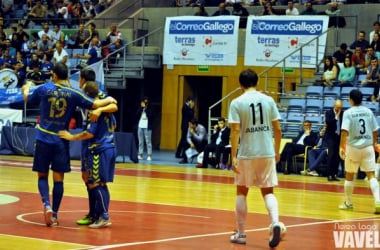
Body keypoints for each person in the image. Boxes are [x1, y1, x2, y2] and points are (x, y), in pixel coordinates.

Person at [21, 62, 117, 227]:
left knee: (42, 176)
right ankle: (55, 215)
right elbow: (96, 104)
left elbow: (26, 98)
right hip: (61, 140)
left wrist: (25, 88)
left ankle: (47, 205)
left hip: (44, 139)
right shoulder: (75, 93)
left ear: (54, 75)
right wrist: (109, 100)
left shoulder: (44, 88)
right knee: (60, 180)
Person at [228, 69, 283, 248]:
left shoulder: (236, 102)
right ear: (257, 82)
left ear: (240, 84)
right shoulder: (268, 100)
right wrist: (276, 151)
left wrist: (233, 155)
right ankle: (275, 223)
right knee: (268, 191)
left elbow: (235, 131)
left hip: (247, 153)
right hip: (266, 151)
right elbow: (278, 129)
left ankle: (241, 233)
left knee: (242, 191)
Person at [58, 81, 117, 228]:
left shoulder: (94, 110)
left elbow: (89, 133)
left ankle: (104, 216)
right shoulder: (104, 106)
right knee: (100, 183)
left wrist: (71, 137)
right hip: (110, 145)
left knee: (95, 183)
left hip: (99, 148)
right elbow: (114, 118)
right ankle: (98, 215)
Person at [74, 68, 117, 226]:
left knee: (97, 182)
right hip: (89, 145)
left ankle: (103, 215)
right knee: (88, 179)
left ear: (83, 80)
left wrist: (99, 109)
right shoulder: (84, 97)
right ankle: (93, 213)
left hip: (98, 145)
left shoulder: (99, 97)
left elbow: (114, 104)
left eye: (79, 79)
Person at [338, 89, 380, 214]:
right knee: (371, 175)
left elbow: (344, 132)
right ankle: (378, 200)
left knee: (349, 175)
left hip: (353, 148)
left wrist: (341, 147)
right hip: (368, 147)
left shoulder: (348, 113)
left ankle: (348, 203)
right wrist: (373, 144)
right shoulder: (368, 111)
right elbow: (374, 130)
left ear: (351, 99)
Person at [324, 99, 343, 181]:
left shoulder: (343, 113)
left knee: (337, 156)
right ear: (334, 106)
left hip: (339, 137)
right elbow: (329, 123)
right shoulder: (329, 113)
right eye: (337, 107)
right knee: (331, 155)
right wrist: (336, 117)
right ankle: (329, 174)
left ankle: (334, 174)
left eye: (340, 107)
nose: (339, 109)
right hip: (331, 136)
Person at [136, 96, 154, 161]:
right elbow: (137, 114)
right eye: (144, 102)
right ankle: (140, 154)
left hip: (147, 126)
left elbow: (150, 115)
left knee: (148, 141)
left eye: (146, 102)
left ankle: (149, 155)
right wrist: (141, 108)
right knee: (140, 141)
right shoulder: (141, 108)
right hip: (140, 125)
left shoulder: (150, 109)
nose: (145, 103)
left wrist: (145, 109)